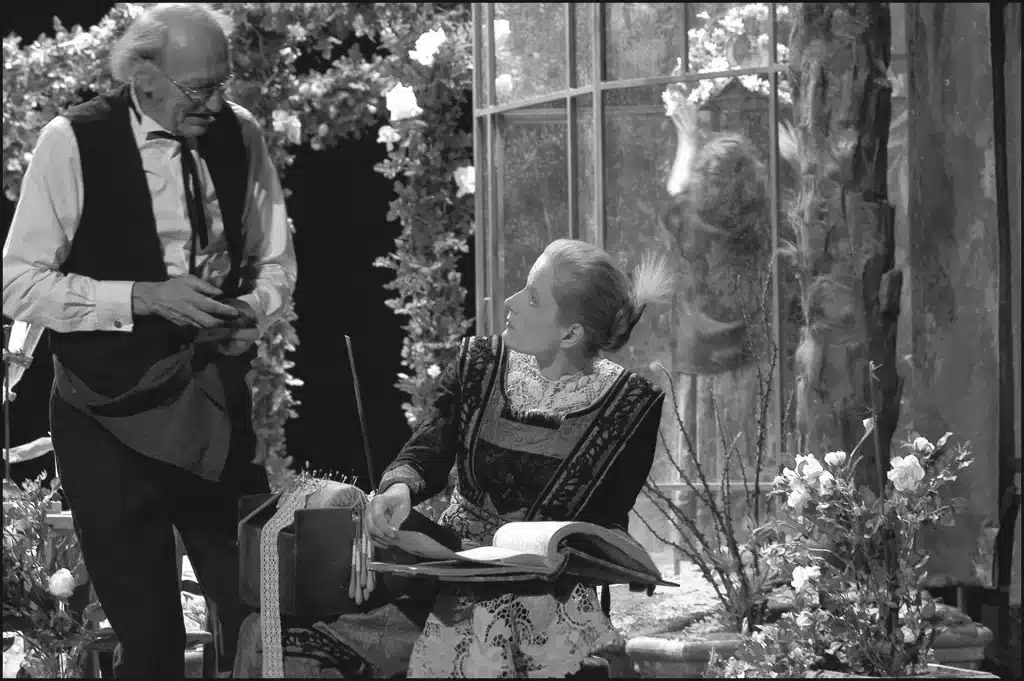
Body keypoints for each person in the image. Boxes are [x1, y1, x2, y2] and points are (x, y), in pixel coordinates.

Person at [1, 3, 297, 677]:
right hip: (105, 415)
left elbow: (275, 260)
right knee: (153, 641)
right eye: (201, 88)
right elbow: (18, 284)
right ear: (144, 81)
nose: (218, 102)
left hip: (210, 407)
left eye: (224, 83)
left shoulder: (238, 132)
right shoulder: (70, 141)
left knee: (261, 617)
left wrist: (250, 307)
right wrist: (141, 297)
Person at [233, 238, 673, 678]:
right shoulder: (478, 363)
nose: (511, 301)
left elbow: (607, 517)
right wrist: (400, 488)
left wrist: (619, 558)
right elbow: (427, 449)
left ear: (571, 333)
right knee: (278, 636)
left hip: (546, 597)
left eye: (532, 298)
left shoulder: (631, 406)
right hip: (449, 568)